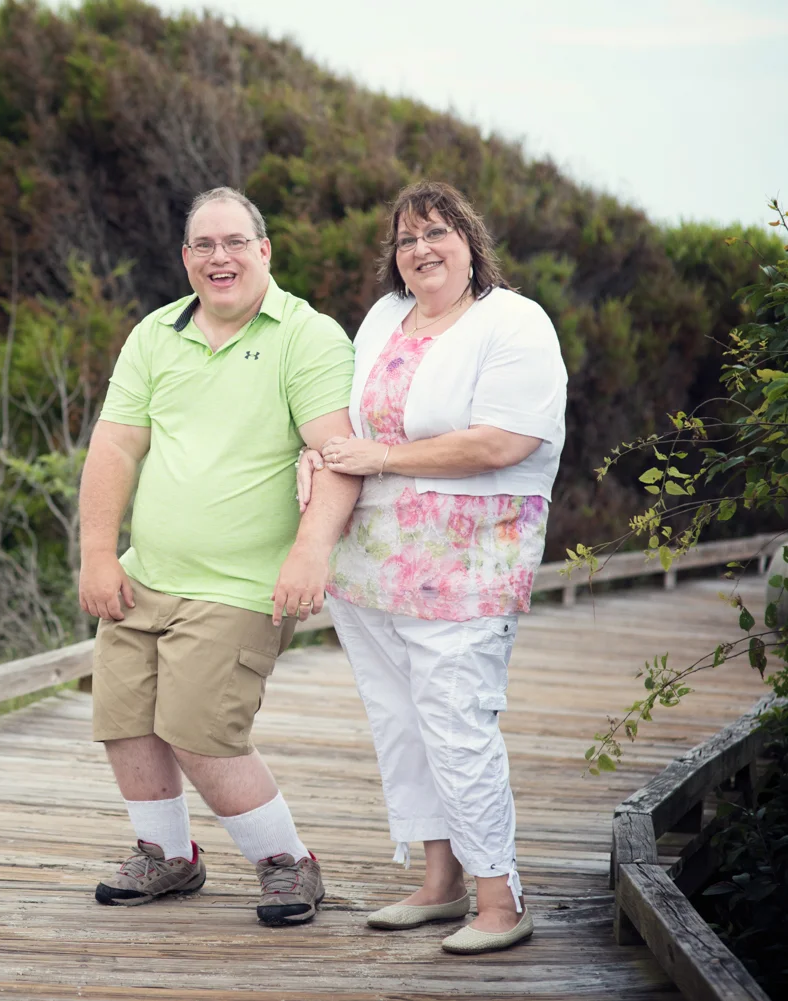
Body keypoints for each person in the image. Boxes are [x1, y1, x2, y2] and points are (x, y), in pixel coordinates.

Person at [296, 180, 567, 953]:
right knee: (403, 724)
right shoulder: (384, 318)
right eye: (406, 239)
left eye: (436, 232)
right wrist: (320, 459)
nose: (421, 249)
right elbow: (347, 421)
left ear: (470, 241)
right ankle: (440, 882)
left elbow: (502, 440)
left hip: (468, 564)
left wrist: (380, 454)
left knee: (457, 723)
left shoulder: (513, 321)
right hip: (371, 563)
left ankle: (500, 898)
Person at [78, 186, 360, 925]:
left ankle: (287, 863)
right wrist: (98, 553)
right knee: (125, 718)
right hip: (147, 575)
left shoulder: (308, 336)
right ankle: (167, 856)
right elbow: (114, 444)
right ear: (185, 259)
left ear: (264, 250)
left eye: (235, 242)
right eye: (203, 245)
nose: (219, 257)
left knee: (200, 726)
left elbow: (335, 454)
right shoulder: (154, 334)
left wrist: (310, 549)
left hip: (242, 586)